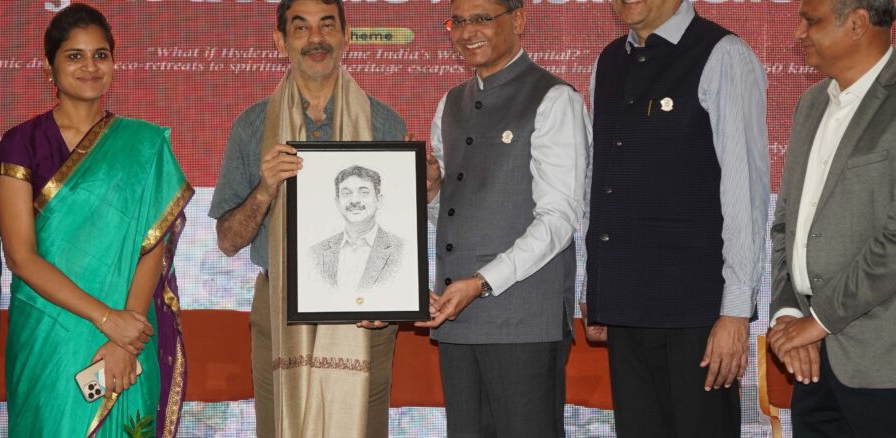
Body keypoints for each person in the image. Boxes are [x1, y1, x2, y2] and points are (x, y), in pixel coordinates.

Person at [208, 0, 407, 435]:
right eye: (301, 28)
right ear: (280, 41)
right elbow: (227, 240)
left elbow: (398, 241)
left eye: (327, 26)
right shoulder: (252, 127)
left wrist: (386, 300)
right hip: (279, 310)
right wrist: (265, 189)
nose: (315, 39)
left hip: (364, 318)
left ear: (346, 36)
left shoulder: (385, 124)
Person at [0, 4, 192, 436]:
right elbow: (21, 257)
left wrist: (126, 333)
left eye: (100, 55)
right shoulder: (20, 143)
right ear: (50, 67)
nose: (89, 66)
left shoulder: (143, 145)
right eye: (74, 55)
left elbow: (151, 246)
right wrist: (107, 319)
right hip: (49, 331)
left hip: (127, 331)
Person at [580, 0, 769, 435]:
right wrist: (597, 285)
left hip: (697, 313)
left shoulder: (722, 54)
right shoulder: (609, 61)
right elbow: (599, 180)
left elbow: (745, 192)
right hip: (625, 306)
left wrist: (736, 313)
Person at [413, 0, 589, 436]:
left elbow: (559, 219)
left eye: (482, 18)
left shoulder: (554, 99)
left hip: (524, 322)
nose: (467, 31)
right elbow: (448, 216)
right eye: (458, 20)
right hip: (457, 318)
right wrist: (432, 193)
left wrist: (482, 281)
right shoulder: (449, 104)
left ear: (519, 19)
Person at [768, 0, 896, 434]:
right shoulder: (810, 104)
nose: (799, 34)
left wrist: (818, 320)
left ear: (858, 23)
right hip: (811, 362)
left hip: (884, 364)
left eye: (812, 21)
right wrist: (787, 315)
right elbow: (785, 222)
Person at [309, 165, 405, 296]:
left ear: (379, 200)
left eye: (364, 192)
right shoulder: (316, 253)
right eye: (346, 193)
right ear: (337, 203)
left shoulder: (401, 250)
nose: (354, 200)